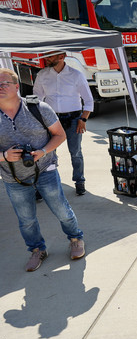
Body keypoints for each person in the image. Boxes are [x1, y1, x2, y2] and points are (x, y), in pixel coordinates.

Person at [0, 68, 85, 272]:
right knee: (26, 220)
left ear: (16, 86)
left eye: (4, 83)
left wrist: (43, 151)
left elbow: (59, 135)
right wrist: (4, 156)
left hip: (45, 169)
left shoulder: (39, 108)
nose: (0, 88)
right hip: (13, 177)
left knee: (61, 209)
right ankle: (37, 250)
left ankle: (75, 238)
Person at [33, 51, 93, 196]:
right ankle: (46, 185)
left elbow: (89, 101)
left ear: (61, 56)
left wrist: (83, 119)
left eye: (50, 56)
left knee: (76, 152)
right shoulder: (42, 75)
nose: (46, 58)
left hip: (73, 120)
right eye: (46, 55)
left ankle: (80, 182)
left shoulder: (76, 75)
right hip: (51, 120)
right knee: (48, 152)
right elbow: (36, 99)